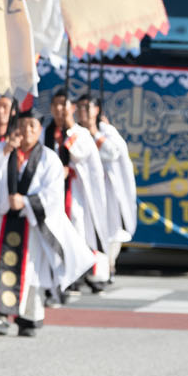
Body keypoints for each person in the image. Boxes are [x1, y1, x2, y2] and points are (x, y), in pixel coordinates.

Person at [0, 111, 92, 335]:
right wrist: (5, 150)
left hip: (32, 223)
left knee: (31, 271)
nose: (27, 130)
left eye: (32, 126)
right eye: (23, 125)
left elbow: (53, 196)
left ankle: (29, 319)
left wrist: (24, 202)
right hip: (4, 220)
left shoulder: (49, 158)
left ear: (39, 129)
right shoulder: (5, 150)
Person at [45, 89, 109, 290]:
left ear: (71, 108)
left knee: (78, 227)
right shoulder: (46, 132)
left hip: (75, 191)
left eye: (63, 104)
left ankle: (82, 273)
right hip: (52, 190)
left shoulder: (80, 133)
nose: (59, 109)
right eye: (55, 104)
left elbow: (80, 154)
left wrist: (68, 132)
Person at [82, 102, 138, 273]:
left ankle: (108, 266)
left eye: (88, 107)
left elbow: (113, 153)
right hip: (87, 191)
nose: (84, 111)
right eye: (81, 107)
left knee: (111, 230)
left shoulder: (107, 131)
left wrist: (95, 133)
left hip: (108, 192)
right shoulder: (77, 132)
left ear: (97, 110)